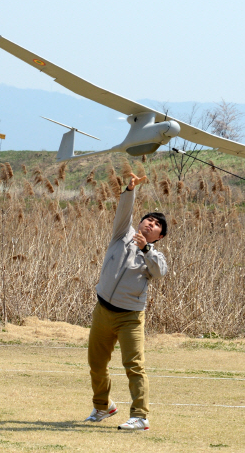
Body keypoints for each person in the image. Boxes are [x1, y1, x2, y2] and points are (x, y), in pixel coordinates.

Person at [85, 172, 168, 431]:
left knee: (134, 366)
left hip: (130, 317)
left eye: (156, 225)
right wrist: (130, 189)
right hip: (103, 311)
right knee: (96, 364)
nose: (149, 224)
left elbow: (160, 273)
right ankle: (103, 406)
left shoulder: (155, 256)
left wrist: (146, 250)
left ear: (160, 236)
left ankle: (140, 416)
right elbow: (124, 211)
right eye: (148, 219)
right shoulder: (122, 235)